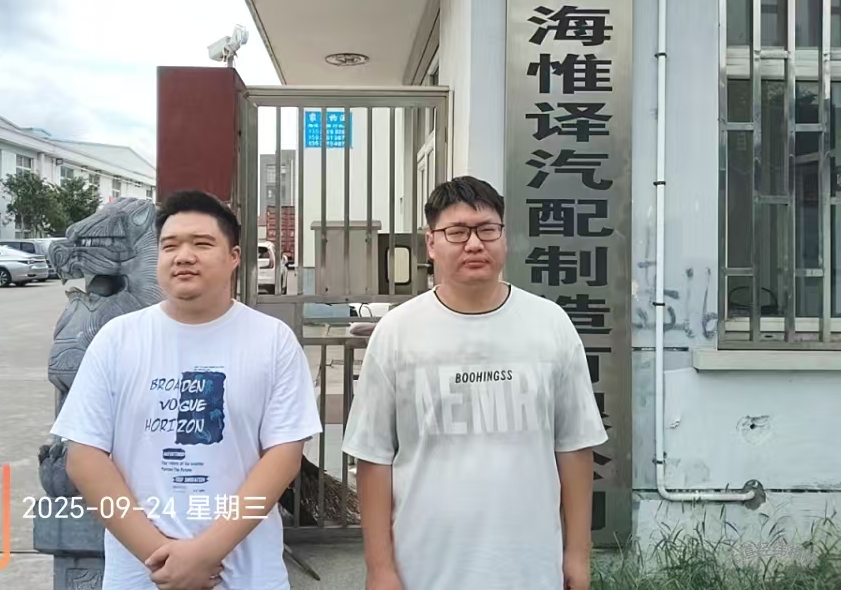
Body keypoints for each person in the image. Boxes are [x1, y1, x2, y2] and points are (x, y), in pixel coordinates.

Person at [341, 176, 607, 590]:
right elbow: (373, 460)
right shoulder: (397, 332)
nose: (474, 244)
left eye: (487, 230)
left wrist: (577, 555)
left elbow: (574, 448)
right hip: (424, 569)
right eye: (457, 232)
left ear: (504, 237)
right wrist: (380, 568)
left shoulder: (550, 324)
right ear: (431, 243)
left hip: (530, 569)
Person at [51, 189, 322, 590]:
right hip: (142, 575)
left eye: (201, 244)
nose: (183, 256)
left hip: (246, 576)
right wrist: (162, 557)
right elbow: (84, 458)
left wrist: (206, 553)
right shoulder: (116, 339)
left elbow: (283, 458)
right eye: (170, 246)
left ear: (233, 257)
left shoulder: (272, 341)